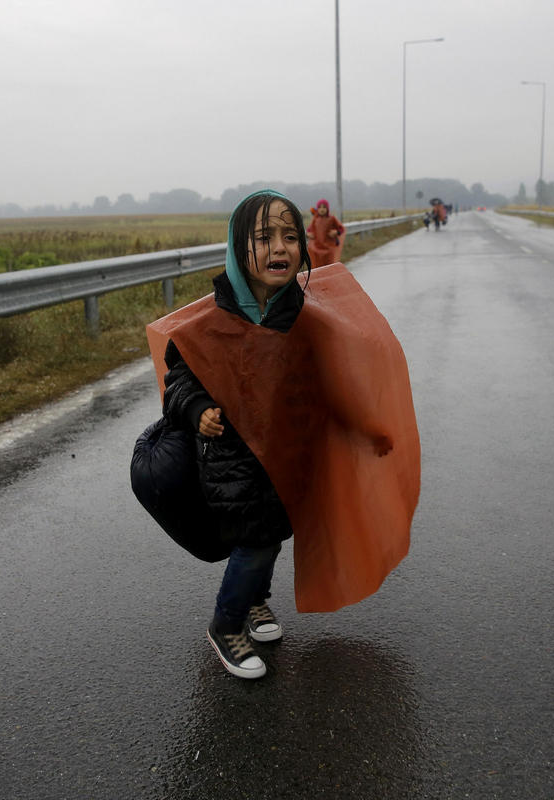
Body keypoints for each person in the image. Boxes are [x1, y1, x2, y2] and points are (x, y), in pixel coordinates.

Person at [145, 190, 420, 681]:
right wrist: (198, 409)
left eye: (290, 236)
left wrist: (365, 427)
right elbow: (180, 382)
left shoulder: (306, 317)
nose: (281, 246)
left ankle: (255, 604)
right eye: (264, 237)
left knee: (273, 533)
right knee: (256, 540)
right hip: (234, 459)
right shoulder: (210, 323)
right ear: (237, 247)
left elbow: (327, 384)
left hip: (289, 456)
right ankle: (226, 623)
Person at [307, 198, 345, 267]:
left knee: (329, 268)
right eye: (320, 207)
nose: (322, 209)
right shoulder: (315, 219)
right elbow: (309, 230)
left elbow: (341, 229)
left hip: (329, 249)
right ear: (317, 209)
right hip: (316, 249)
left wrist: (336, 232)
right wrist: (308, 234)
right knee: (317, 269)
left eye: (324, 207)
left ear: (327, 209)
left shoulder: (332, 219)